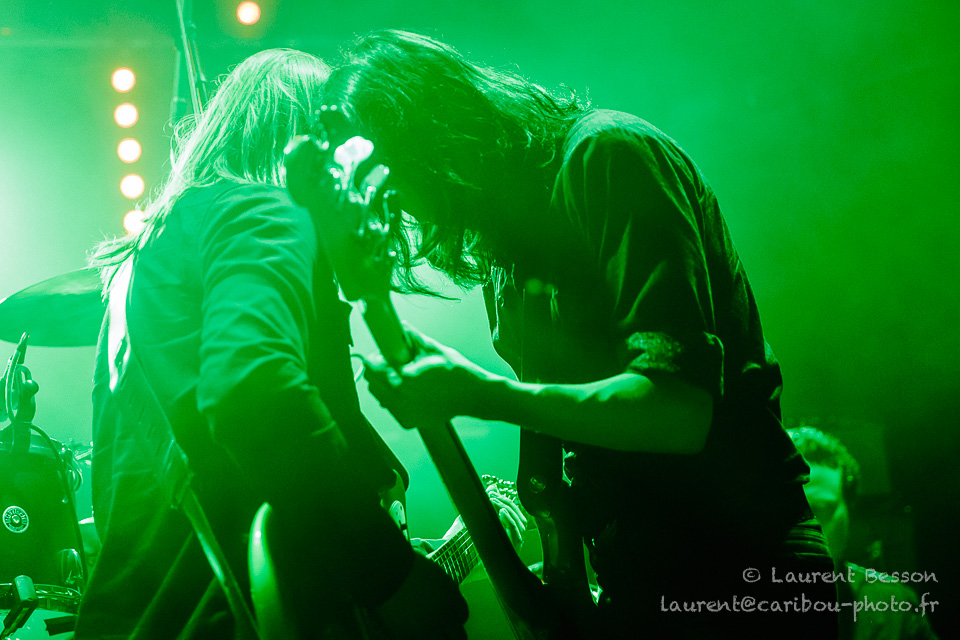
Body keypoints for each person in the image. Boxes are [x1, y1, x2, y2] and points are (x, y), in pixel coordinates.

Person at [318, 29, 839, 638]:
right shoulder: (508, 248)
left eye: (396, 177)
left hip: (745, 571)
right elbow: (554, 461)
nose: (404, 207)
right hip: (638, 581)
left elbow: (679, 412)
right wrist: (558, 580)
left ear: (433, 138)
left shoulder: (609, 156)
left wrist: (479, 394)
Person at [80, 48, 466, 639]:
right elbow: (252, 389)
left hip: (141, 615)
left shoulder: (139, 266)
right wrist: (391, 577)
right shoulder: (264, 210)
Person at [788, 426, 940, 640]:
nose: (801, 526)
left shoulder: (895, 606)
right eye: (783, 511)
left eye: (820, 509)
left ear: (849, 512)